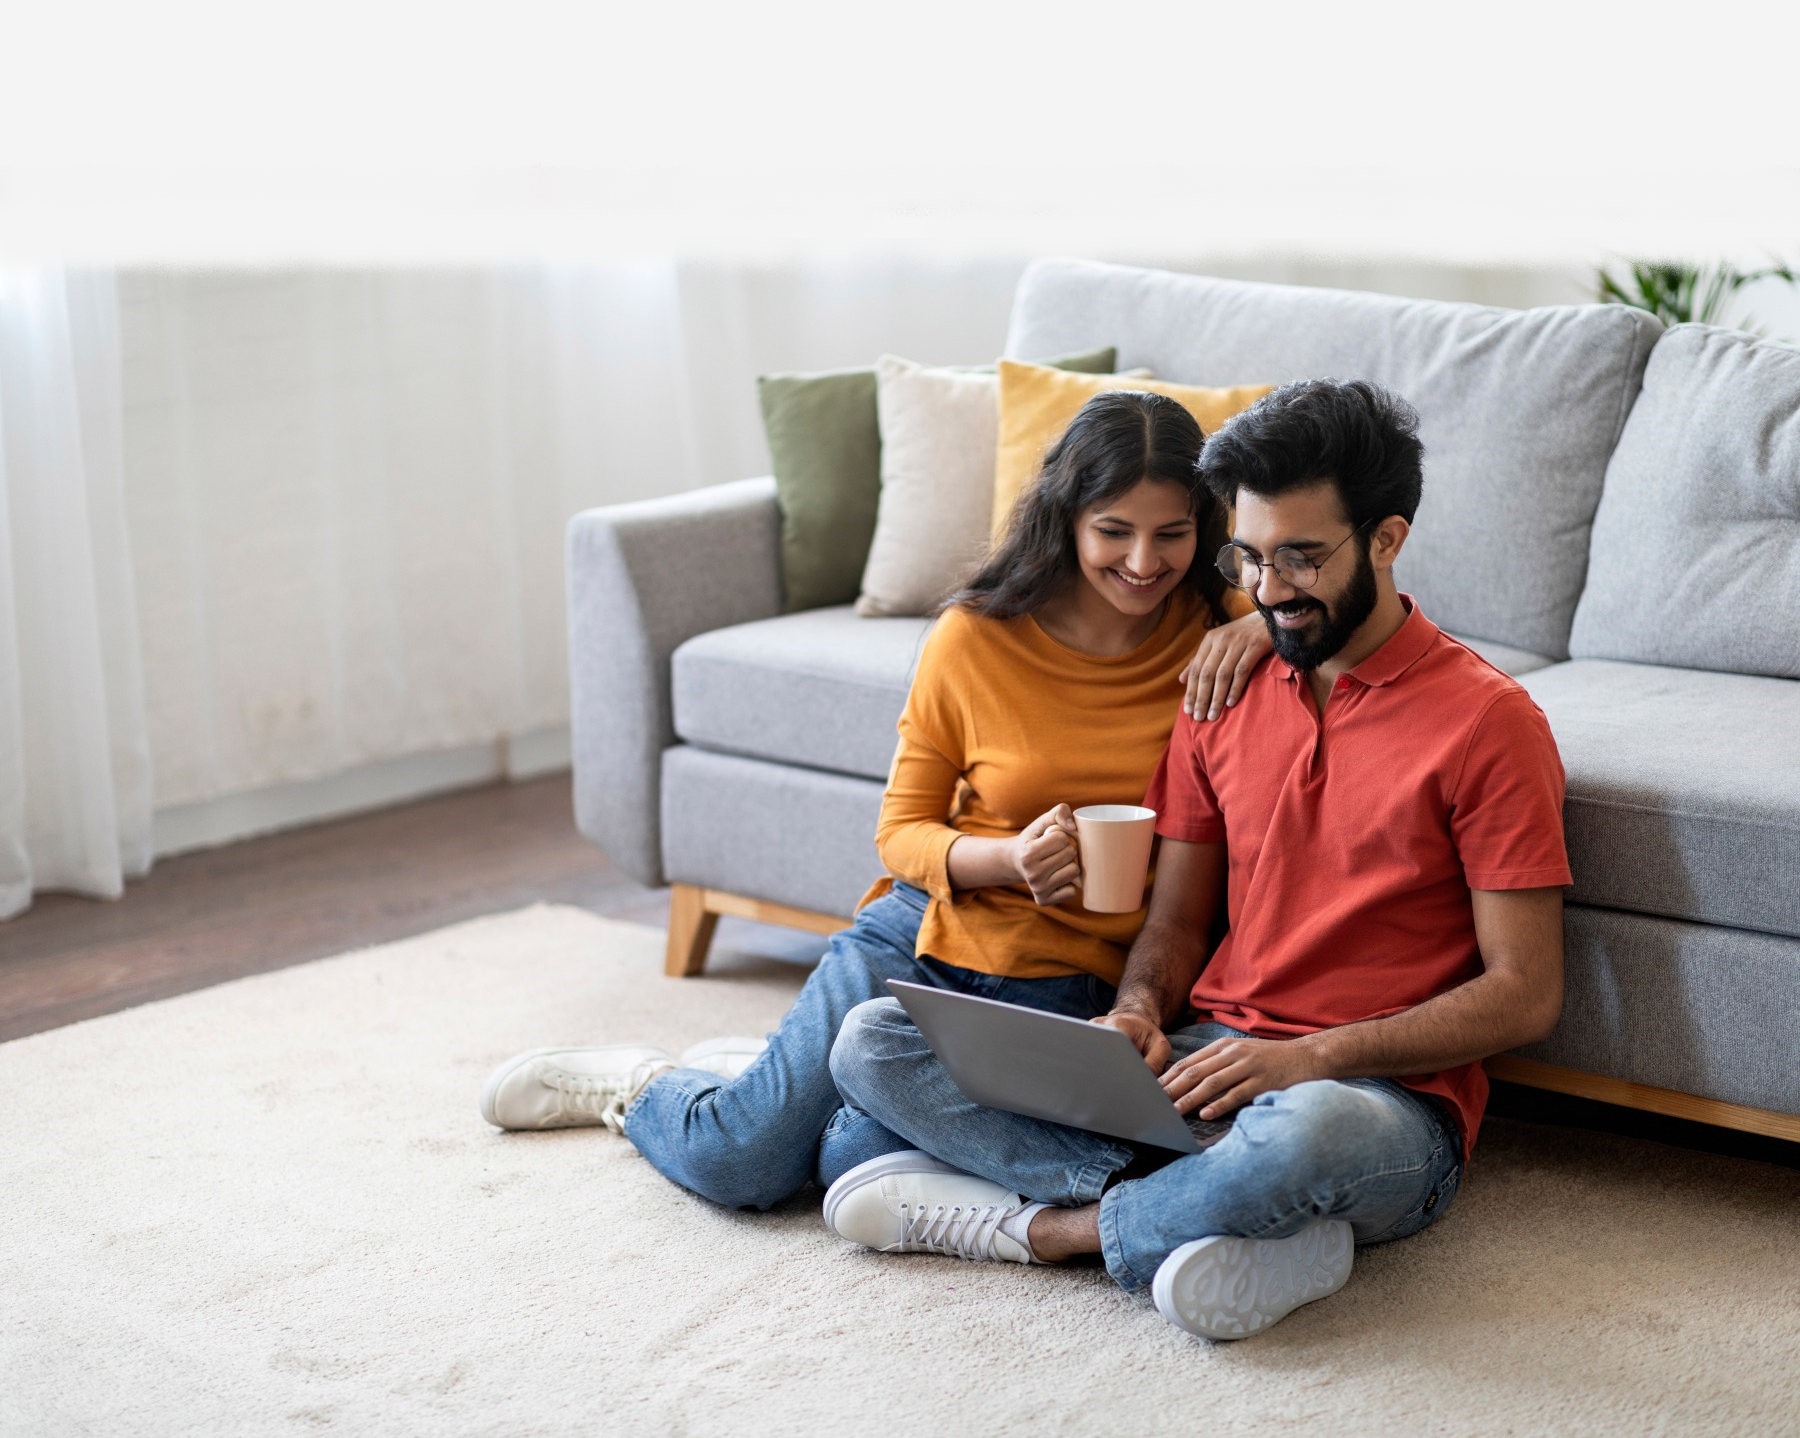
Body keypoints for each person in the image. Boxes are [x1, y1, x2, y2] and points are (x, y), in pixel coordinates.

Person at [822, 378, 1572, 1341]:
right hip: (1209, 1056)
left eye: (1302, 559)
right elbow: (1174, 919)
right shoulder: (1223, 688)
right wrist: (1136, 1012)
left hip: (1375, 1097)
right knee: (874, 1046)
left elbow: (1525, 993)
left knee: (1306, 1135)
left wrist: (1311, 1058)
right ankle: (1238, 1225)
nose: (1270, 591)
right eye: (1250, 558)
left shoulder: (1489, 723)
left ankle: (1054, 1231)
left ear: (1387, 541)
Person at [477, 390, 1273, 1211]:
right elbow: (900, 834)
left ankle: (772, 1079)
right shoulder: (975, 637)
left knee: (847, 1151)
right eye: (1115, 531)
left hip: (1071, 983)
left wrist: (1262, 626)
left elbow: (1362, 621)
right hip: (920, 933)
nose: (1143, 561)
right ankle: (643, 1085)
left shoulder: (1219, 636)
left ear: (1203, 528)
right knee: (738, 1164)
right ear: (1068, 516)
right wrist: (1007, 858)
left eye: (1171, 534)